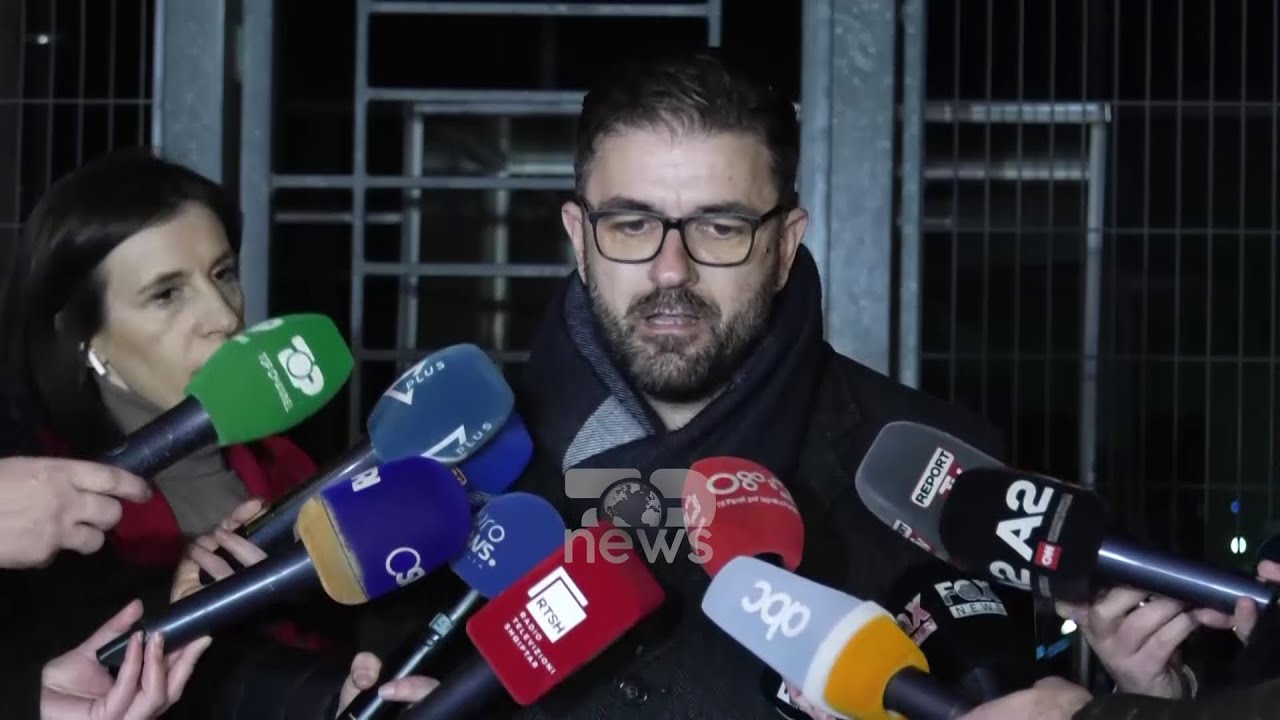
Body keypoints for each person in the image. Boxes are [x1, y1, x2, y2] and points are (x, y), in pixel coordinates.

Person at [0, 149, 333, 716]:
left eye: (223, 274)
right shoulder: (38, 509)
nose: (224, 317)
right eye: (166, 294)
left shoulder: (291, 466)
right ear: (84, 336)